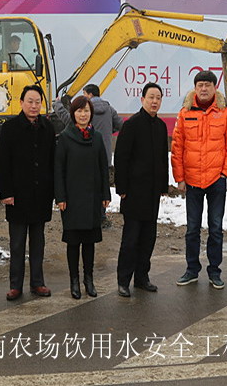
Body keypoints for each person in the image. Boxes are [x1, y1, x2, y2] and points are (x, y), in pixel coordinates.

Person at [172, 70, 227, 289]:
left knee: (216, 228)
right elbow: (177, 147)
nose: (203, 89)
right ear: (195, 88)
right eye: (200, 85)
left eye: (207, 85)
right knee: (192, 228)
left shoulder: (225, 113)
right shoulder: (185, 113)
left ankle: (214, 271)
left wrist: (225, 173)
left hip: (216, 180)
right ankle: (192, 270)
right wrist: (180, 177)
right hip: (192, 181)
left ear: (214, 87)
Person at [0, 85, 56, 300]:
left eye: (37, 102)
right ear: (21, 102)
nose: (34, 106)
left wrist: (53, 191)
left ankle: (37, 283)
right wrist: (6, 192)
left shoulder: (48, 128)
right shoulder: (10, 128)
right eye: (30, 101)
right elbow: (2, 163)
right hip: (17, 196)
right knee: (17, 243)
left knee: (38, 243)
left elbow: (52, 162)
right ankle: (15, 285)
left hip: (41, 195)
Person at [114, 82, 169, 297]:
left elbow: (163, 158)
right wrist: (121, 188)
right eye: (151, 97)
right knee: (131, 240)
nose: (155, 101)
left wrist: (163, 186)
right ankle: (123, 280)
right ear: (142, 99)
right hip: (133, 192)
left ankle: (142, 278)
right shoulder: (132, 124)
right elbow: (121, 158)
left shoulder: (161, 126)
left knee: (148, 238)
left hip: (152, 193)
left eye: (158, 98)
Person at [55, 95, 111, 299]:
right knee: (73, 242)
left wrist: (105, 193)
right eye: (79, 111)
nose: (83, 114)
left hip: (93, 198)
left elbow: (103, 168)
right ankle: (74, 281)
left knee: (89, 242)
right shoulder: (65, 137)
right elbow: (58, 170)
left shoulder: (96, 137)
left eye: (86, 110)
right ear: (73, 113)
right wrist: (60, 197)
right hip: (72, 199)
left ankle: (89, 279)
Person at [55, 83, 122, 228]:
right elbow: (120, 124)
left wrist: (58, 105)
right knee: (100, 180)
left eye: (84, 94)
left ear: (90, 95)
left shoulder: (83, 116)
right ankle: (101, 216)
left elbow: (68, 120)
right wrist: (108, 132)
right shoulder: (109, 109)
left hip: (83, 158)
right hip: (104, 154)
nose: (83, 114)